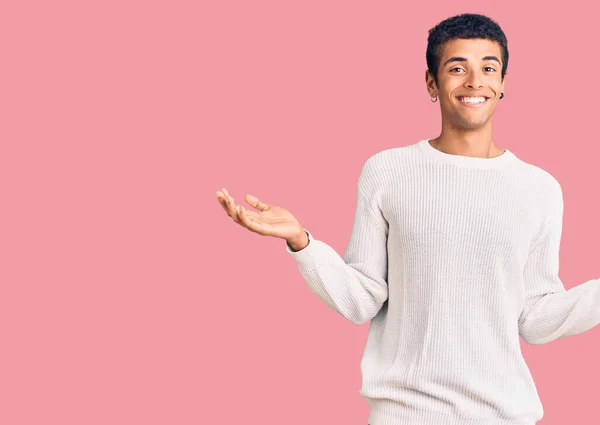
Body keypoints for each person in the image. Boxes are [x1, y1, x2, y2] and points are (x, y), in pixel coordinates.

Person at [216, 13, 600, 425]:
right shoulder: (388, 172)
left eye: (489, 68)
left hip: (505, 415)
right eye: (457, 68)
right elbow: (362, 297)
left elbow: (536, 318)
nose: (475, 81)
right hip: (405, 414)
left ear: (503, 83)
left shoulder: (539, 189)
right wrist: (302, 241)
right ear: (432, 83)